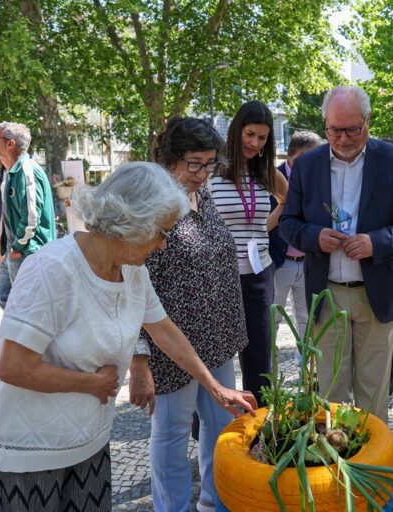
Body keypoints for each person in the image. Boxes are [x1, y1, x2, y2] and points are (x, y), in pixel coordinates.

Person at [0, 162, 256, 511]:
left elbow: (165, 331)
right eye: (162, 233)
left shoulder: (132, 271)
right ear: (130, 222)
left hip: (87, 439)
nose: (164, 246)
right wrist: (89, 383)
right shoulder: (53, 268)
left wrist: (215, 387)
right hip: (29, 448)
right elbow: (14, 368)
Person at [125, 118, 251, 512]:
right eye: (194, 163)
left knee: (222, 428)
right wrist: (139, 361)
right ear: (168, 159)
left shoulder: (204, 192)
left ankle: (215, 502)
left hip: (217, 337)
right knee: (172, 434)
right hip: (171, 344)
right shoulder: (150, 205)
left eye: (210, 163)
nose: (202, 173)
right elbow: (131, 286)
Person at [279, 85, 393, 421]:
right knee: (331, 394)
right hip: (327, 293)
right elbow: (288, 222)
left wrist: (377, 242)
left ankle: (372, 472)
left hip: (375, 294)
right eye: (334, 130)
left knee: (373, 394)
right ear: (325, 125)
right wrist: (315, 236)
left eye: (352, 129)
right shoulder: (308, 165)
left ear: (368, 121)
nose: (343, 139)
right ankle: (335, 468)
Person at [209, 101, 287, 403]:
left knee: (259, 362)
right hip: (219, 278)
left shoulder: (264, 171)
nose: (255, 143)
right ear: (237, 130)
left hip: (259, 274)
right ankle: (214, 433)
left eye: (263, 138)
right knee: (217, 359)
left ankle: (260, 426)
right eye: (250, 134)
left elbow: (286, 199)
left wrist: (262, 229)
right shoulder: (213, 167)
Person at [0, 122, 56, 309]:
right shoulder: (13, 171)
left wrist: (18, 247)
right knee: (4, 295)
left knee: (25, 305)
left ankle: (29, 336)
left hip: (28, 250)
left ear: (10, 144)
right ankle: (24, 335)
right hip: (18, 249)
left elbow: (31, 216)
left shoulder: (26, 170)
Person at [269, 130, 324, 340]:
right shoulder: (271, 178)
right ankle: (269, 369)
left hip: (308, 262)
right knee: (272, 320)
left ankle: (306, 370)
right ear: (300, 157)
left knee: (307, 320)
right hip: (279, 262)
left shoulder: (318, 181)